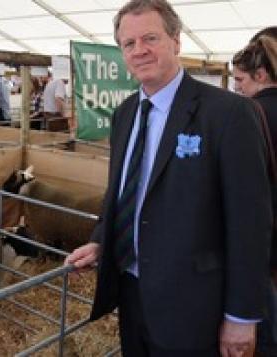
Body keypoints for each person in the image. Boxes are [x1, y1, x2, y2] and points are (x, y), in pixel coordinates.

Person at [64, 1, 272, 356]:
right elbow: (122, 192)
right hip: (132, 293)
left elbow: (251, 222)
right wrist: (102, 239)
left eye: (150, 38)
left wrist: (242, 315)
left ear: (176, 41)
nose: (139, 50)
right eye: (129, 44)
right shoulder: (125, 113)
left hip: (196, 305)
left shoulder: (229, 114)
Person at [233, 33, 277, 357]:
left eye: (239, 79)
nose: (236, 88)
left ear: (260, 76)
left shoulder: (249, 114)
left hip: (266, 241)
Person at [42, 73, 72, 137]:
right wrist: (63, 114)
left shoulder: (51, 82)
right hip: (55, 116)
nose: (69, 79)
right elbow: (58, 99)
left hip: (48, 115)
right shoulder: (60, 83)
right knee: (64, 139)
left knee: (53, 139)